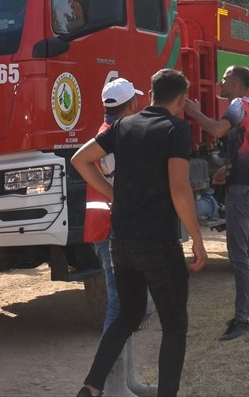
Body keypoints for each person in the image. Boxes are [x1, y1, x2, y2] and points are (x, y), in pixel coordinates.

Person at [73, 69, 207, 397]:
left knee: (127, 316)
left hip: (122, 242)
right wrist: (199, 241)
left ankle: (91, 387)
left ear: (148, 94)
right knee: (174, 326)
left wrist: (112, 193)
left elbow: (80, 159)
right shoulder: (176, 129)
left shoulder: (122, 126)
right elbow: (179, 191)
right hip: (157, 243)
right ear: (181, 100)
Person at [184, 65, 249, 341]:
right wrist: (231, 168)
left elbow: (217, 129)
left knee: (239, 256)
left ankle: (241, 319)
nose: (219, 82)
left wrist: (193, 112)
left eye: (223, 79)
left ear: (235, 84)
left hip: (241, 193)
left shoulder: (236, 105)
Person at [80, 77, 149, 397]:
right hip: (111, 230)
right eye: (136, 102)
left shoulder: (106, 135)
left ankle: (127, 381)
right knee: (122, 306)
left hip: (107, 228)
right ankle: (113, 386)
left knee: (128, 304)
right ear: (131, 105)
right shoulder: (113, 138)